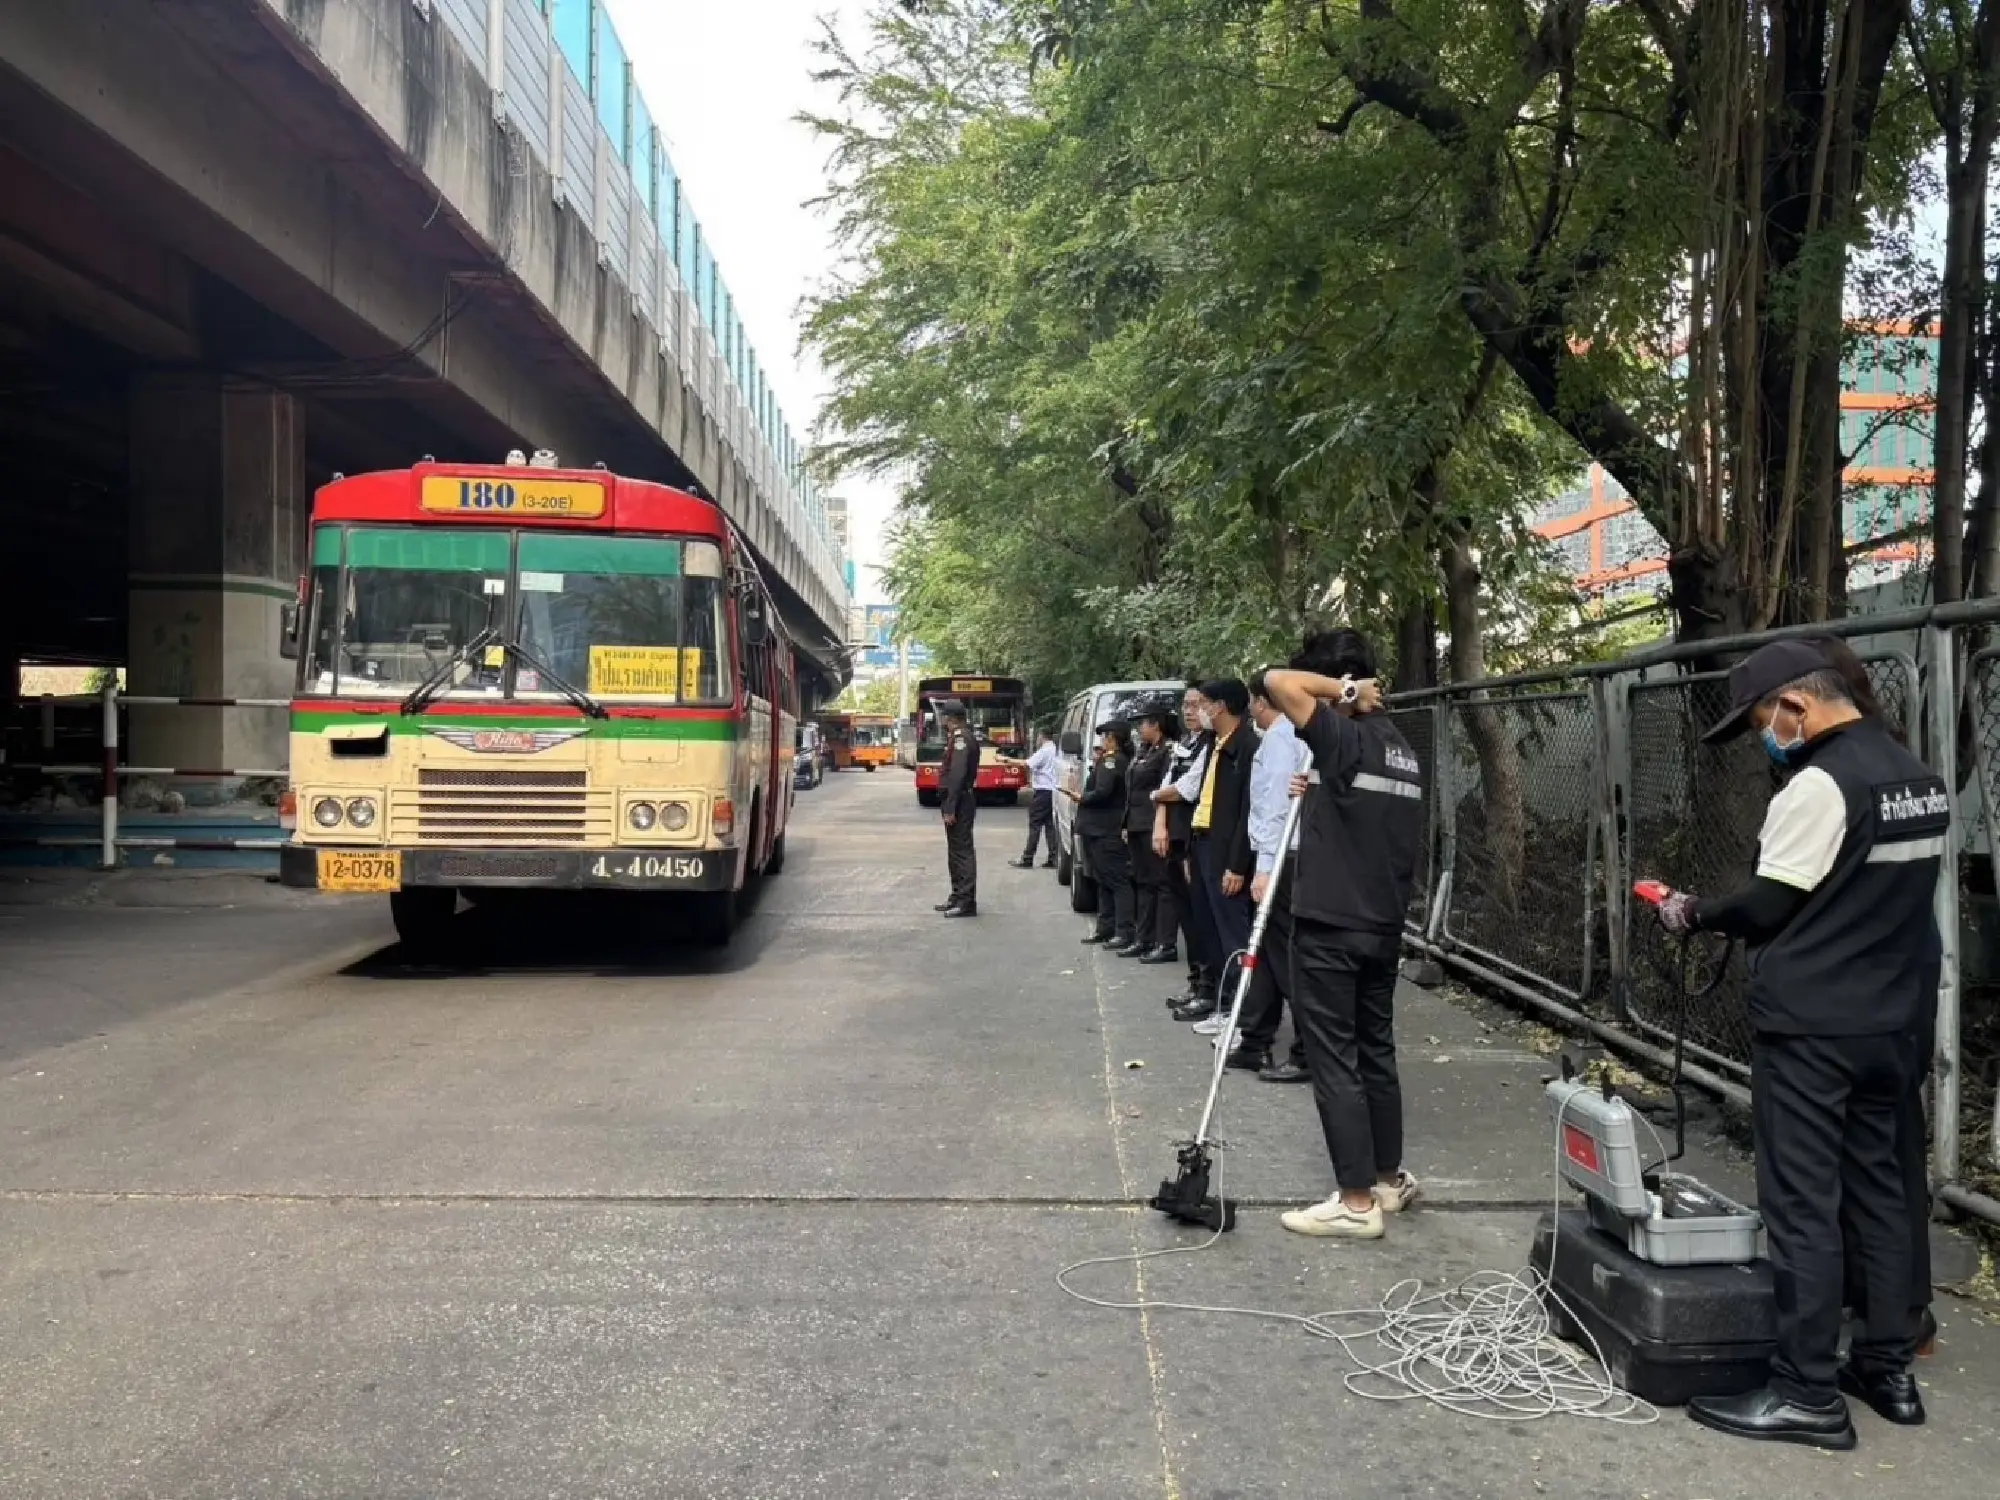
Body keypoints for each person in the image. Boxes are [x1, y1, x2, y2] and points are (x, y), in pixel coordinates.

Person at [1651, 639, 1942, 1447]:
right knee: (1882, 1193)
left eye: (1760, 722)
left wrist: (1692, 911)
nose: (1763, 738)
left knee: (1804, 1205)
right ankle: (1885, 1368)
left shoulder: (1819, 786)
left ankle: (1806, 1391)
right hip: (1891, 1022)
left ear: (1798, 708)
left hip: (1815, 1030)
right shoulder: (1914, 778)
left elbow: (1770, 907)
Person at [1264, 631, 1420, 1241]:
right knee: (1375, 1051)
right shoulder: (1400, 745)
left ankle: (1356, 1203)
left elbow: (1276, 681)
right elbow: (1364, 811)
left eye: (1327, 690)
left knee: (1335, 1058)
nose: (1318, 705)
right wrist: (1320, 793)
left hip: (1331, 924)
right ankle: (1386, 1179)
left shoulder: (1343, 728)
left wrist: (1344, 691)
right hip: (1382, 923)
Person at [1809, 638, 1939, 1362]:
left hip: (1860, 984)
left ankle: (1879, 1314)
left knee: (1863, 1156)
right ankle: (1898, 1314)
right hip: (1904, 971)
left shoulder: (1841, 776)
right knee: (1890, 1150)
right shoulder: (1903, 768)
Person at [1225, 668, 1314, 1081]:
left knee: (1283, 959)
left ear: (1262, 701)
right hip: (1278, 856)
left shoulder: (1282, 740)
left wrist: (1263, 869)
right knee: (1262, 957)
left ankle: (1307, 1050)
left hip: (1281, 859)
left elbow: (1276, 808)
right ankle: (1255, 1039)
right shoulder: (1278, 738)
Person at [1177, 678, 1256, 1029]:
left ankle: (1244, 1016)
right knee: (1211, 933)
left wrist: (1237, 864)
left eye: (1203, 703)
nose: (1199, 711)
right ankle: (1224, 1008)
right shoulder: (1214, 743)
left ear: (1220, 706)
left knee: (1234, 936)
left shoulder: (1248, 746)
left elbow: (1247, 812)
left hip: (1228, 854)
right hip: (1204, 845)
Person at [1155, 686, 1222, 1009]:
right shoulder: (1184, 744)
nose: (1190, 711)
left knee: (1200, 919)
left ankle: (1209, 988)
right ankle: (1196, 982)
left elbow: (1185, 789)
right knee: (1185, 914)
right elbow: (1167, 784)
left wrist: (1158, 796)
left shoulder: (1212, 745)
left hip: (1193, 840)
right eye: (1186, 705)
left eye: (1197, 705)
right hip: (1175, 837)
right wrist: (1159, 816)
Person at [1123, 699, 1181, 963]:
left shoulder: (1168, 752)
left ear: (1155, 724)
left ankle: (1165, 942)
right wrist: (1126, 823)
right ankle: (1143, 938)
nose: (1139, 729)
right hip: (1137, 824)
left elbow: (1165, 790)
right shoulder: (1143, 750)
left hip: (1154, 825)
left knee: (1161, 883)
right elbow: (1132, 790)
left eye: (1143, 723)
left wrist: (1162, 825)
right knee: (1142, 882)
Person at [1071, 719, 1136, 947]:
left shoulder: (1113, 761)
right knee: (1103, 880)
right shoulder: (1110, 760)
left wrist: (1081, 797)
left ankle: (1123, 931)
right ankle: (1105, 928)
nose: (1102, 740)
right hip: (1097, 830)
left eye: (1104, 736)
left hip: (1106, 830)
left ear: (1113, 738)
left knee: (1117, 881)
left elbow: (1103, 792)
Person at [934, 700, 980, 918]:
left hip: (960, 801)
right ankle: (957, 896)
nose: (942, 721)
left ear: (950, 718)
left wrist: (950, 806)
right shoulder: (957, 737)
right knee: (954, 852)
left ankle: (966, 901)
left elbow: (958, 774)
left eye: (944, 717)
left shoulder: (961, 739)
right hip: (957, 800)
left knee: (962, 852)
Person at [1012, 727, 1061, 869]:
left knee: (1035, 824)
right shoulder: (1055, 749)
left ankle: (1027, 858)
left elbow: (1026, 763)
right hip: (1052, 792)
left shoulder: (1044, 751)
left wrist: (1006, 759)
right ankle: (1053, 857)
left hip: (1043, 791)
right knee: (1049, 825)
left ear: (1041, 736)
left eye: (1038, 737)